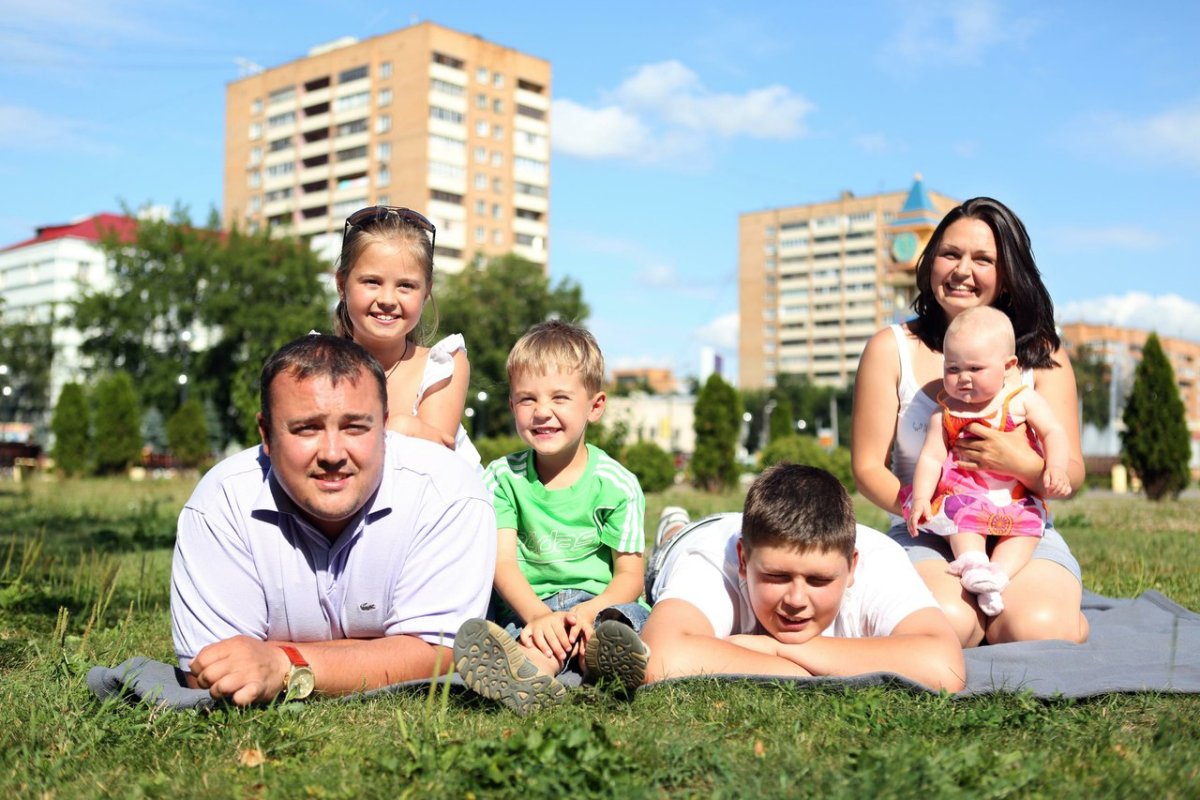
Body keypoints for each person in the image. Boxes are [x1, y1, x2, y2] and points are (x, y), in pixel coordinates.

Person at [170, 334, 496, 706]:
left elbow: (439, 653)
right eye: (307, 428)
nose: (332, 453)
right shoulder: (220, 503)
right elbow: (211, 670)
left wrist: (282, 663)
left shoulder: (447, 491)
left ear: (385, 428)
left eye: (355, 427)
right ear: (266, 434)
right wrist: (388, 653)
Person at [852, 196, 1089, 647]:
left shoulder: (1043, 355)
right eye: (950, 254)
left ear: (1007, 276)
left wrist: (1021, 463)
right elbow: (866, 468)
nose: (963, 270)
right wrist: (930, 509)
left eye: (983, 259)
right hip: (931, 529)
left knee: (1036, 630)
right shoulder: (890, 348)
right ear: (930, 262)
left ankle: (1055, 615)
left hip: (1020, 527)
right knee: (947, 624)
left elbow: (1071, 472)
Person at [452, 320, 648, 714]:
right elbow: (502, 563)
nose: (542, 412)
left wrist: (587, 613)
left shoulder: (617, 485)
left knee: (621, 624)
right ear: (512, 406)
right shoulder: (502, 478)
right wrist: (539, 616)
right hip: (531, 602)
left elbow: (630, 576)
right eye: (527, 400)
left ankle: (603, 660)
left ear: (595, 406)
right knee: (533, 640)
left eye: (560, 398)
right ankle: (529, 678)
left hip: (599, 602)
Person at [634, 464, 964, 691]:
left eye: (818, 581)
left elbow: (944, 667)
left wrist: (775, 650)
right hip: (693, 539)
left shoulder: (881, 561)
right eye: (777, 577)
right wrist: (812, 671)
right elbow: (658, 658)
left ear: (852, 567)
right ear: (744, 561)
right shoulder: (709, 563)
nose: (795, 600)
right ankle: (673, 526)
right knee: (676, 542)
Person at [903, 306, 1073, 617]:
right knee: (961, 519)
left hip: (1016, 497)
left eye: (975, 369)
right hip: (965, 494)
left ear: (1008, 365)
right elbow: (930, 457)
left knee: (1027, 530)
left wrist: (1056, 467)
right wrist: (921, 498)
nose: (963, 379)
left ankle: (998, 575)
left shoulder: (1021, 400)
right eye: (953, 369)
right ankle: (973, 563)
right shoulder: (945, 412)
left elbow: (1054, 432)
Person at [335, 205, 479, 465]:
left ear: (426, 293)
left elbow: (430, 463)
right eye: (372, 282)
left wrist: (400, 426)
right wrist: (403, 428)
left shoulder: (443, 365)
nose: (388, 300)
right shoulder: (316, 363)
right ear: (341, 285)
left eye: (405, 285)